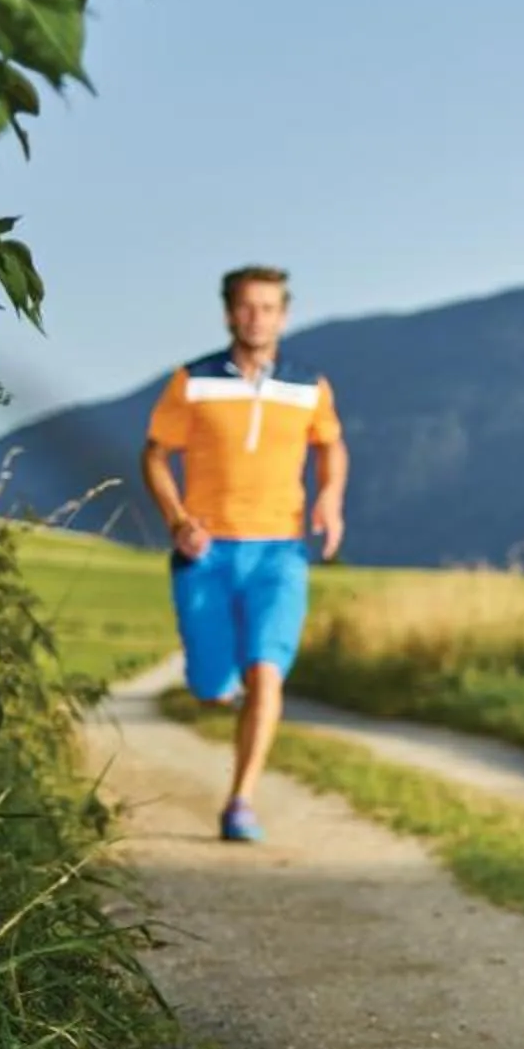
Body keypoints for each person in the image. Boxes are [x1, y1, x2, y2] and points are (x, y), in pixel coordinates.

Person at [141, 266, 349, 844]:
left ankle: (241, 800)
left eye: (269, 307)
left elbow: (331, 447)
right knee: (210, 687)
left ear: (284, 315)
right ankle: (216, 682)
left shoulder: (310, 386)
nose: (258, 317)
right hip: (206, 552)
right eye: (247, 307)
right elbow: (155, 456)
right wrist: (178, 519)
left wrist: (330, 499)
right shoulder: (194, 381)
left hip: (279, 551)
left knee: (266, 672)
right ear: (230, 313)